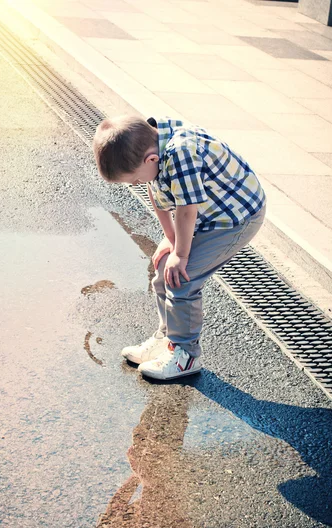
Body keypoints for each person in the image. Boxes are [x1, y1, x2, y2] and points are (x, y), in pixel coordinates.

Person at [92, 116, 266, 380]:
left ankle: (186, 355)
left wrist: (181, 254)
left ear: (150, 160)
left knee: (181, 278)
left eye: (135, 180)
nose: (137, 185)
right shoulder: (149, 144)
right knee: (164, 268)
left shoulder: (180, 152)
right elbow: (156, 190)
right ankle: (166, 339)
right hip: (208, 212)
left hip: (235, 218)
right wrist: (171, 240)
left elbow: (186, 210)